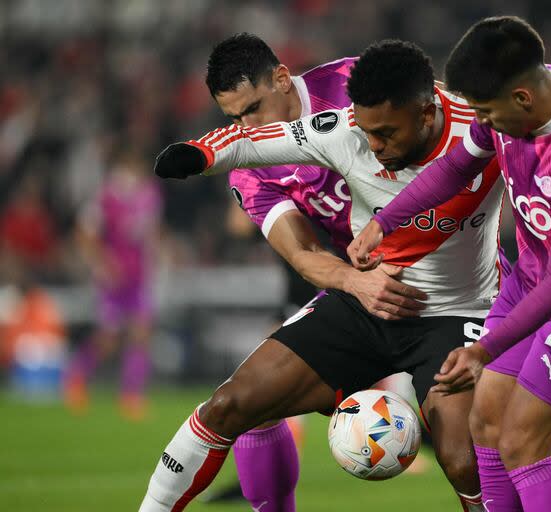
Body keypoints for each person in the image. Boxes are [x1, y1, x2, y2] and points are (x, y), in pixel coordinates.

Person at [142, 40, 509, 511]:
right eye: (236, 116)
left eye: (254, 108)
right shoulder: (281, 155)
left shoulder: (358, 90)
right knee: (239, 405)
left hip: (454, 305)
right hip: (348, 285)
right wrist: (355, 281)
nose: (250, 126)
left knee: (466, 458)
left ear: (280, 79)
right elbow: (301, 250)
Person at [348, 17, 551, 511]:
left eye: (486, 114)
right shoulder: (515, 97)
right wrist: (386, 222)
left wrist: (483, 349)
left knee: (523, 445)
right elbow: (455, 168)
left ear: (522, 100)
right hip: (530, 282)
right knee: (484, 423)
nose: (482, 125)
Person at [64, 150, 163, 421]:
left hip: (138, 278)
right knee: (108, 339)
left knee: (141, 333)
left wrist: (155, 262)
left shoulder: (149, 196)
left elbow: (151, 234)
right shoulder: (104, 198)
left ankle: (131, 395)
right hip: (113, 280)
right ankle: (75, 377)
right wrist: (102, 264)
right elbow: (84, 234)